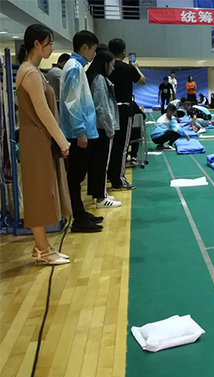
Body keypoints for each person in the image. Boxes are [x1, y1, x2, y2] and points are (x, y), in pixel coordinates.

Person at [17, 24, 72, 264]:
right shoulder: (29, 73)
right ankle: (42, 248)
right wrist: (62, 140)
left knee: (42, 191)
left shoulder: (33, 71)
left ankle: (42, 246)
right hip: (36, 140)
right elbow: (43, 112)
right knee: (38, 193)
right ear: (37, 45)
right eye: (48, 44)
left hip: (39, 139)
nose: (51, 48)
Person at [60, 30, 102, 233]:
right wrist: (80, 131)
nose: (94, 54)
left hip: (83, 130)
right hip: (78, 132)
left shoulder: (76, 67)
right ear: (84, 48)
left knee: (77, 176)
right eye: (93, 50)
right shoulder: (74, 68)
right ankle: (78, 219)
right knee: (75, 177)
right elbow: (72, 101)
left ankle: (81, 214)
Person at [108, 38, 145, 190]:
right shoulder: (128, 68)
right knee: (122, 146)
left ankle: (109, 176)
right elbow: (142, 81)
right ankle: (118, 179)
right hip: (123, 110)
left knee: (110, 146)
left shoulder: (106, 68)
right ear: (123, 52)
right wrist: (136, 68)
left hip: (108, 110)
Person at [87, 46, 121, 209]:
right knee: (101, 164)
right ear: (105, 63)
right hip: (101, 128)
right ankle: (101, 198)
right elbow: (102, 107)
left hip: (97, 128)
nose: (113, 68)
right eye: (112, 64)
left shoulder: (94, 78)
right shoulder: (100, 79)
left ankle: (98, 194)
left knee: (96, 163)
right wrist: (109, 128)